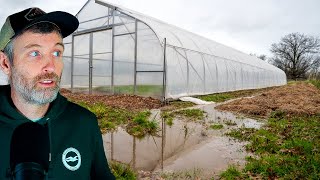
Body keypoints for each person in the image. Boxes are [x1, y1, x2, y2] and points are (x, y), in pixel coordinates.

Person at [0, 7, 115, 179]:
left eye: (56, 52)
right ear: (6, 63)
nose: (51, 66)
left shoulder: (84, 123)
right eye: (35, 53)